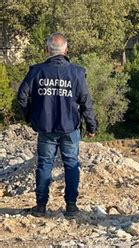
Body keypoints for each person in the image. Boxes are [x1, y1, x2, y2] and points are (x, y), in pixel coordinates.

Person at [17, 33, 97, 217]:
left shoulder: (36, 71)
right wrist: (91, 126)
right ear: (66, 50)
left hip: (46, 128)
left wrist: (30, 117)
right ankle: (71, 206)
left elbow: (21, 97)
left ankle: (41, 206)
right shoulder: (77, 72)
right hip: (70, 128)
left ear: (47, 50)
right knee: (71, 164)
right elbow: (86, 101)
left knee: (45, 164)